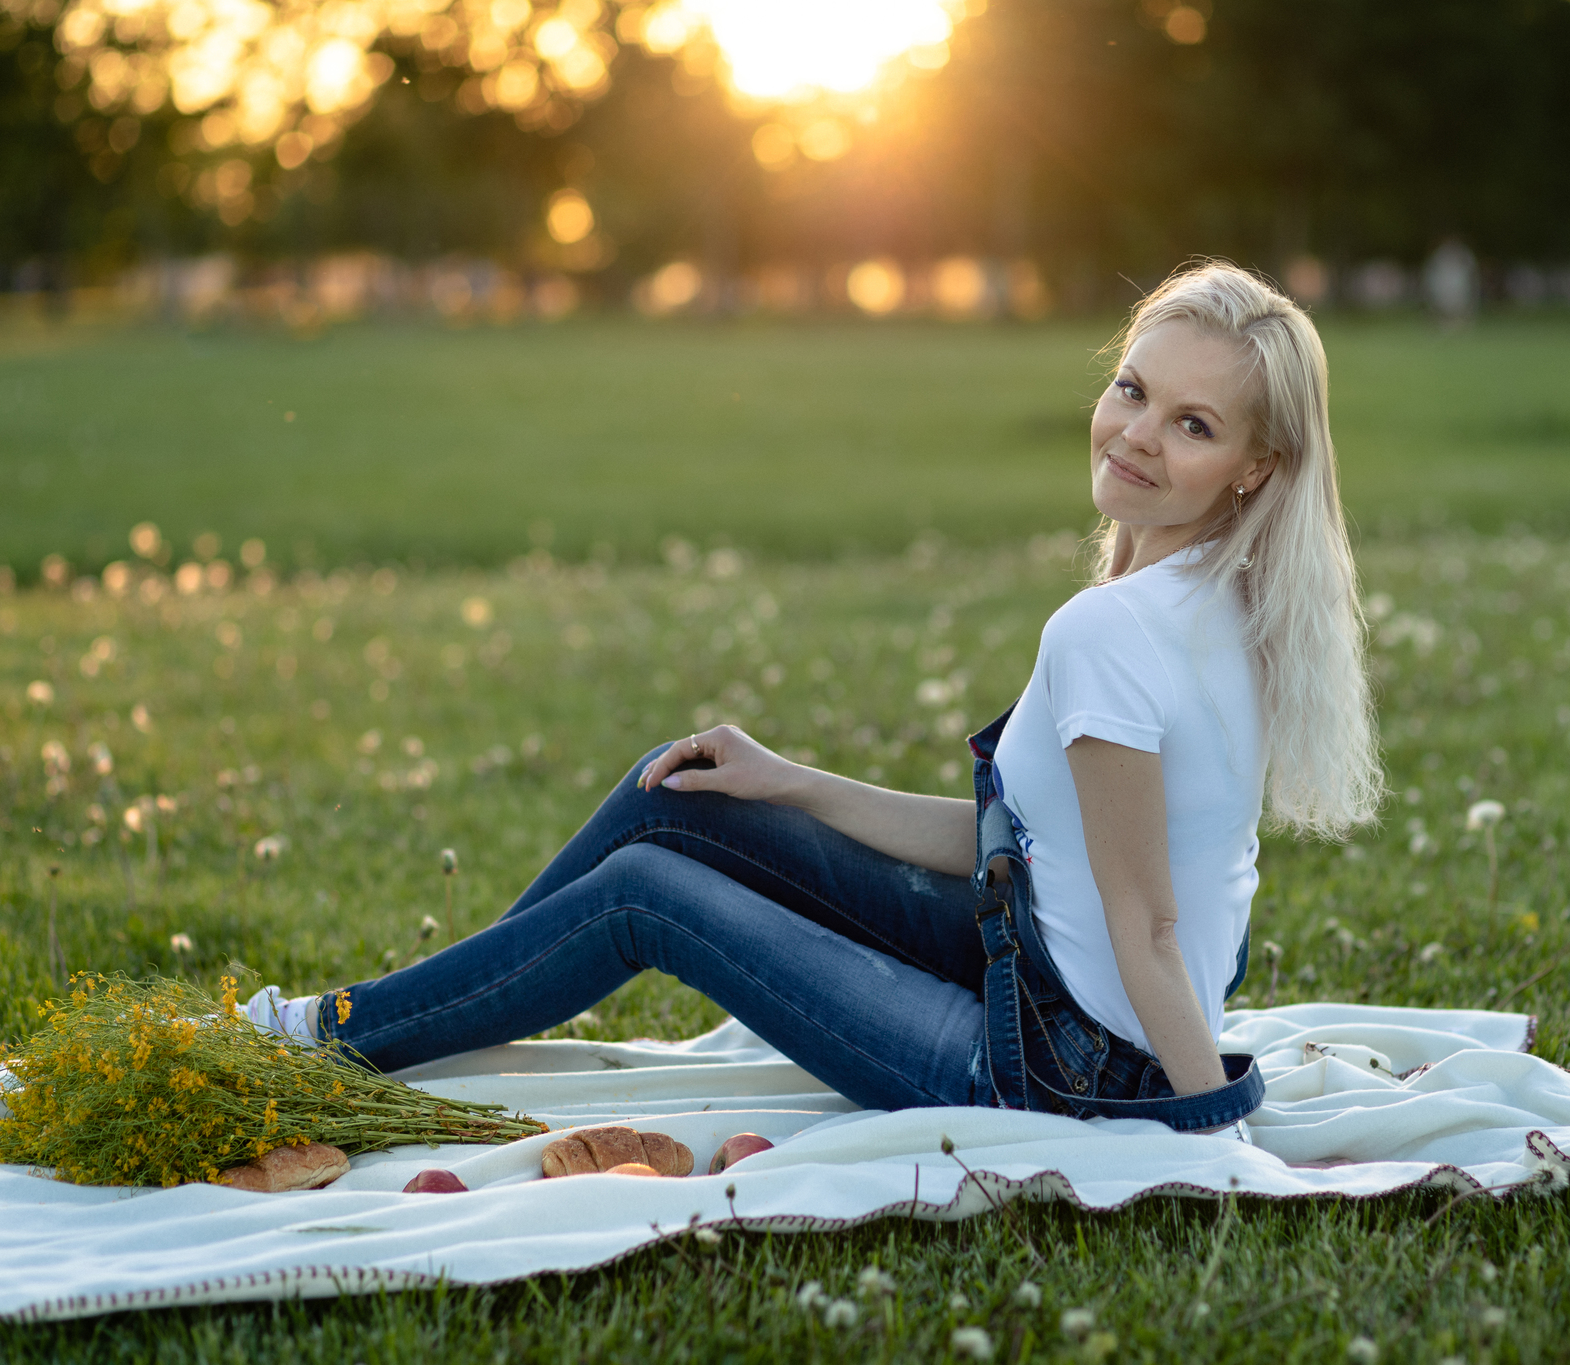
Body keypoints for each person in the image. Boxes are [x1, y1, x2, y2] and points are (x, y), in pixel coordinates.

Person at [246, 260, 1381, 1133]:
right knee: (680, 798)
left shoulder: (1112, 632)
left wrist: (1204, 1128)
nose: (1136, 433)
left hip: (1054, 1064)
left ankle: (316, 1044)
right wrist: (788, 782)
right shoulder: (1229, 600)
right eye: (1131, 390)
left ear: (1252, 466)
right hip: (1039, 967)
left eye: (1191, 424)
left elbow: (1146, 927)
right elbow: (1035, 852)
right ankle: (430, 1013)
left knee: (645, 892)